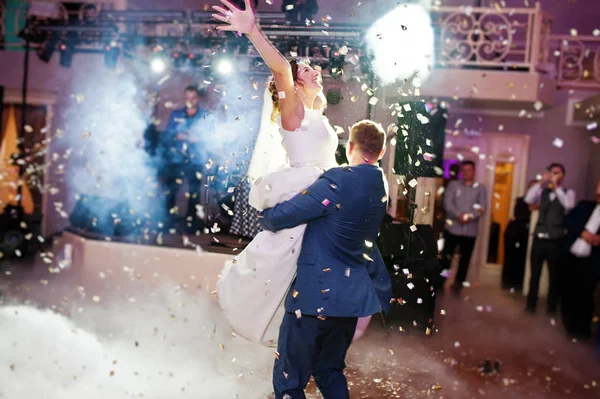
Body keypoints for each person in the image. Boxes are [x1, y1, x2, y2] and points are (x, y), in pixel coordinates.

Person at [213, 0, 390, 354]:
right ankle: (297, 343)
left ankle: (327, 330)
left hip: (325, 192)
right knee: (286, 269)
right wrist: (253, 31)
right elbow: (279, 69)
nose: (315, 70)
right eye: (306, 69)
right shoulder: (292, 113)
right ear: (293, 82)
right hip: (308, 193)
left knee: (325, 264)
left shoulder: (317, 113)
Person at [259, 120, 391, 398]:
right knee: (329, 371)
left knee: (289, 380)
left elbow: (285, 215)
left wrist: (265, 215)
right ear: (381, 153)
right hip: (350, 303)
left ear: (350, 147)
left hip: (313, 300)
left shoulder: (338, 180)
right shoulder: (381, 185)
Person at [524, 163, 576, 314]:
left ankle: (551, 307)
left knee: (554, 275)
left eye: (557, 173)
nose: (554, 175)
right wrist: (541, 182)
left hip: (555, 240)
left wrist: (557, 187)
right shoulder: (542, 192)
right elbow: (528, 199)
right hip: (539, 238)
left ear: (563, 176)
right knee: (535, 275)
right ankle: (530, 306)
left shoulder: (568, 192)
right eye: (552, 173)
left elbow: (569, 205)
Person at [159, 85, 212, 232]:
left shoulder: (204, 115)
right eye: (187, 97)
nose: (190, 100)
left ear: (198, 98)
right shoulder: (176, 114)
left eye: (193, 97)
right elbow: (168, 133)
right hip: (177, 159)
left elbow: (211, 136)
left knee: (194, 193)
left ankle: (192, 225)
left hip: (196, 159)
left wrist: (199, 138)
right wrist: (177, 135)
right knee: (171, 191)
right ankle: (167, 223)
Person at [560, 180, 600, 340]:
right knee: (568, 291)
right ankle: (569, 326)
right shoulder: (585, 205)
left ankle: (582, 330)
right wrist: (583, 233)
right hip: (571, 256)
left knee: (585, 295)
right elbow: (567, 220)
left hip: (592, 261)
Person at [440, 160, 487, 294]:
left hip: (470, 231)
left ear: (474, 171)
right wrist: (458, 215)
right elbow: (448, 203)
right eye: (464, 170)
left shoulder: (480, 188)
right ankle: (441, 281)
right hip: (452, 228)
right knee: (446, 257)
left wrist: (469, 216)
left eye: (469, 170)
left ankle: (458, 283)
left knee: (465, 259)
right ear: (461, 172)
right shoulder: (453, 185)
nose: (467, 172)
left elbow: (482, 207)